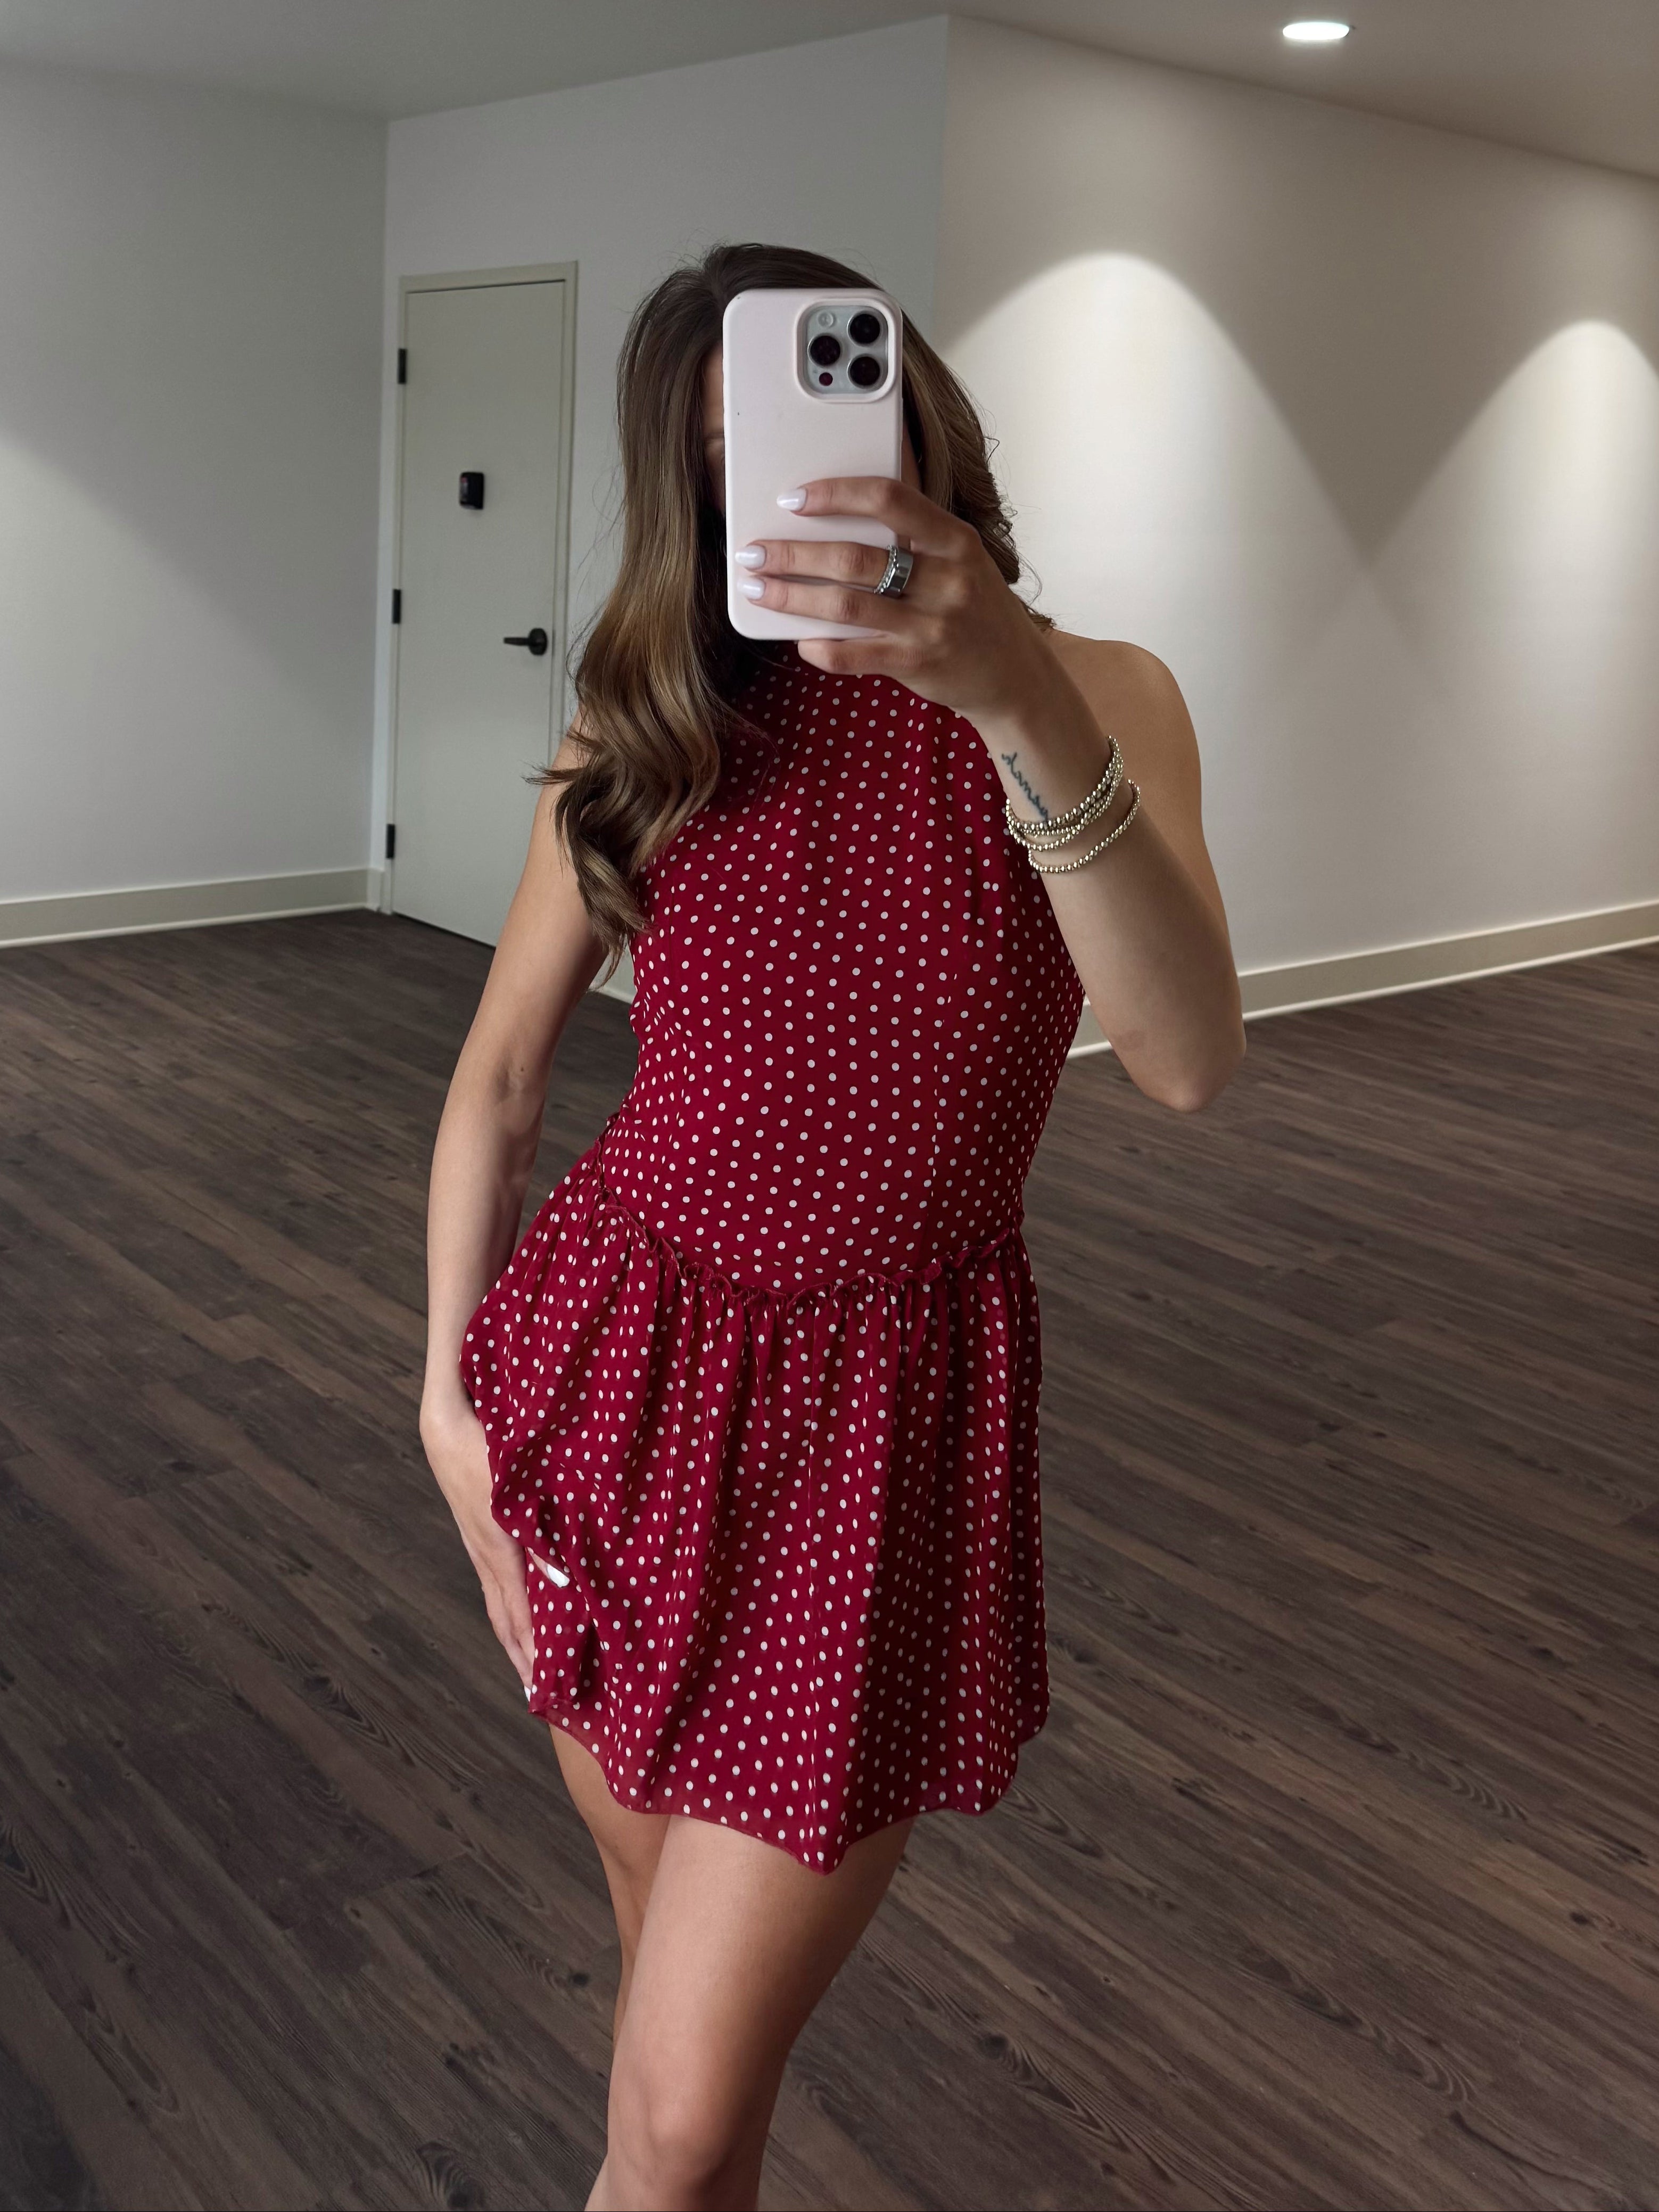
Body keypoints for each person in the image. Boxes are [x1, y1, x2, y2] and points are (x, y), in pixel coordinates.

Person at [418, 241, 1244, 2212]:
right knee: (676, 2051)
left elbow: (1189, 1055)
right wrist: (444, 1400)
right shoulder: (659, 726)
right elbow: (500, 1080)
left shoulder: (1099, 697)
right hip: (606, 1396)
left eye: (806, 424)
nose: (771, 489)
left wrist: (1013, 689)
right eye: (719, 464)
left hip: (880, 1446)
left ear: (913, 414)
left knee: (682, 2109)